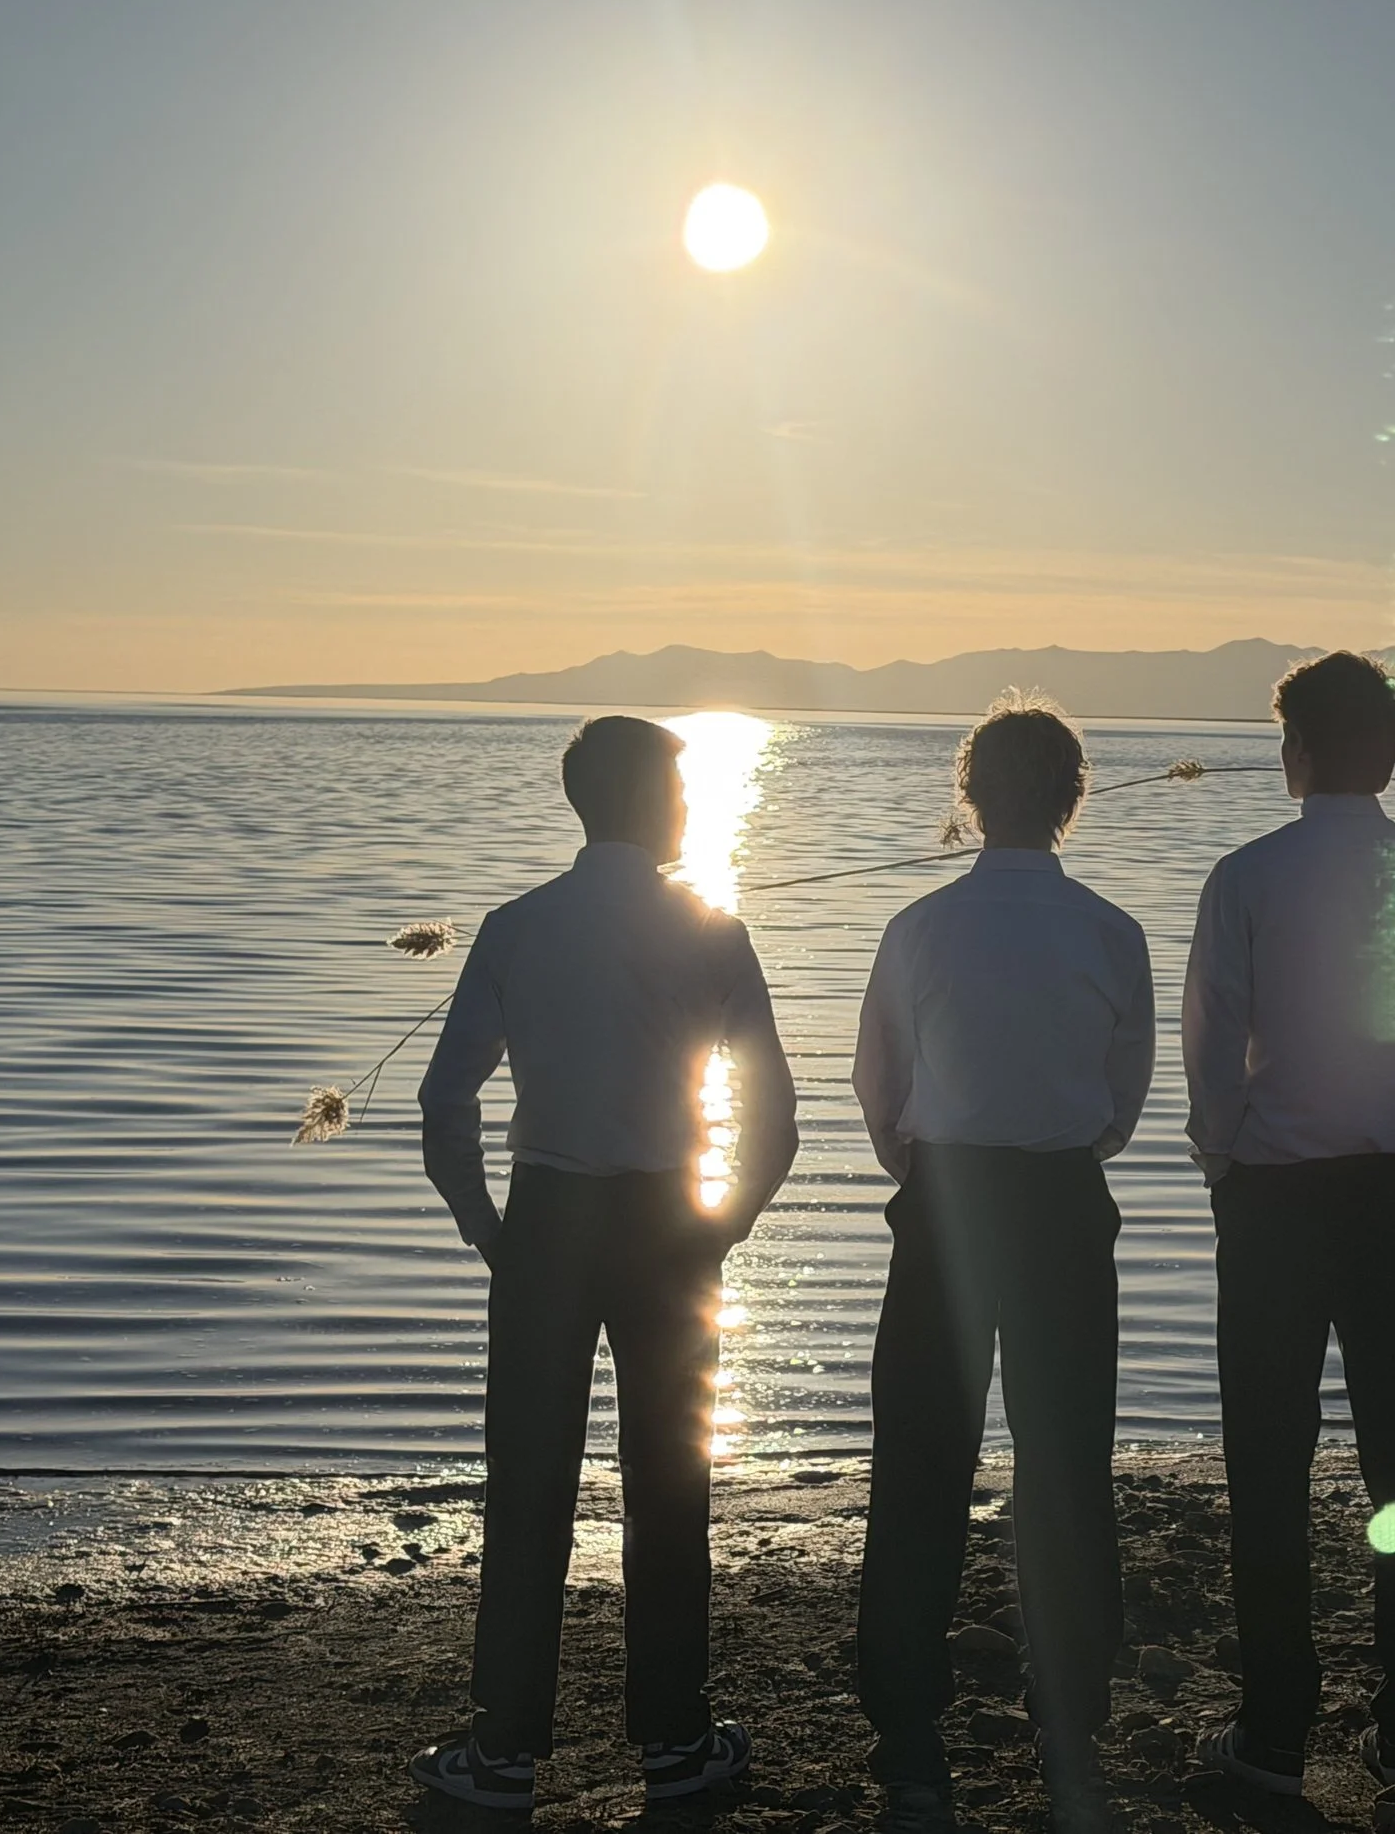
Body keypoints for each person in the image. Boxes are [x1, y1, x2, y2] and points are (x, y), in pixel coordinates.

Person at [408, 715, 799, 1815]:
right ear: (648, 802)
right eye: (677, 789)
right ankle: (673, 1741)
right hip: (669, 1221)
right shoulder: (713, 930)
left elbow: (448, 1102)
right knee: (669, 1485)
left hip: (548, 1221)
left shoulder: (515, 926)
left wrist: (488, 1229)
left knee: (528, 1484)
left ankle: (503, 1755)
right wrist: (724, 1225)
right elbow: (773, 1117)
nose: (686, 807)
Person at [1181, 651, 1395, 1794]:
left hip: (1270, 1197)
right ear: (1392, 752)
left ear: (1297, 751)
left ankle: (1274, 1729)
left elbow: (1212, 1049)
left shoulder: (1246, 877)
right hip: (1390, 1196)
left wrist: (1222, 1158)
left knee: (1269, 1461)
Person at [852, 695, 1155, 1834]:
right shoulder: (1111, 933)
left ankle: (907, 1726)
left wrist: (928, 1165)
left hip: (944, 1199)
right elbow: (1121, 1099)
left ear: (969, 797)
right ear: (1073, 799)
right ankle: (1069, 1711)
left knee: (920, 1461)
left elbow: (878, 1086)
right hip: (1061, 1199)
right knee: (1066, 1460)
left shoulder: (920, 928)